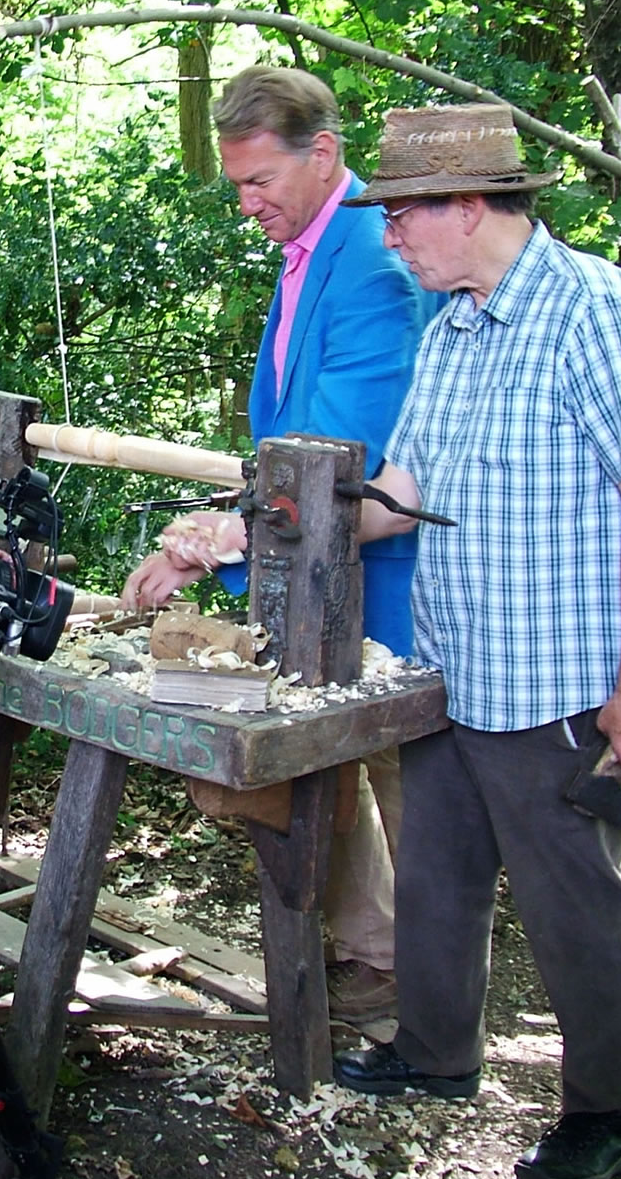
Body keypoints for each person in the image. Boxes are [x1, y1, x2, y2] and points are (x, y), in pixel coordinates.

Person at [326, 104, 621, 1179]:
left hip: (558, 681)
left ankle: (603, 1112)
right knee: (437, 879)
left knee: (576, 904)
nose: (389, 238)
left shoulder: (594, 312)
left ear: (467, 207)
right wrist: (290, 516)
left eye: (402, 217)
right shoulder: (449, 330)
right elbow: (406, 490)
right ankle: (436, 1054)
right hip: (456, 666)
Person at [120, 66, 438, 1024]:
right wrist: (214, 521)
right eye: (238, 184)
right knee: (339, 770)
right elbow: (286, 444)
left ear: (325, 154)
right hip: (315, 569)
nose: (247, 202)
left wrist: (211, 545)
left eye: (261, 181)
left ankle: (422, 986)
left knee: (394, 773)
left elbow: (343, 473)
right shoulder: (309, 248)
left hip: (379, 577)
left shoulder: (371, 266)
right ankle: (379, 953)